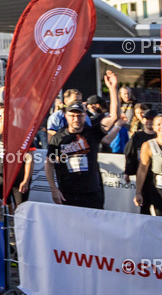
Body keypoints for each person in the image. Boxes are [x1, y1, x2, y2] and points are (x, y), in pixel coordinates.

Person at [45, 71, 124, 209]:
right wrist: (53, 189)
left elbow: (114, 116)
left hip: (92, 192)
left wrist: (112, 89)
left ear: (85, 115)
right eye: (72, 116)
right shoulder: (58, 138)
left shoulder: (92, 132)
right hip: (68, 192)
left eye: (80, 115)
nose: (76, 119)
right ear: (66, 116)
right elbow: (49, 164)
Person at [0, 106, 32, 220]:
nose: (2, 118)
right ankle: (0, 234)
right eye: (0, 115)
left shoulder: (23, 132)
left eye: (6, 115)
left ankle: (18, 235)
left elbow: (29, 158)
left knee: (20, 213)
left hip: (18, 179)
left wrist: (26, 180)